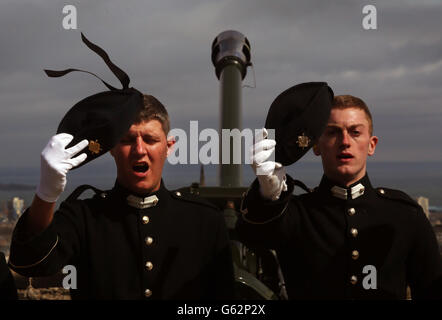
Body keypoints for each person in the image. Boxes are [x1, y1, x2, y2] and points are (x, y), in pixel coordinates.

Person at [8, 34, 234, 300]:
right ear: (112, 148)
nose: (139, 149)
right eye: (127, 140)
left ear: (169, 146)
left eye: (150, 139)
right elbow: (29, 262)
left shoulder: (204, 221)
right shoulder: (83, 218)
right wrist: (46, 193)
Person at [237, 92, 442, 299]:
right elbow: (250, 235)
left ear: (372, 145)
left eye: (355, 132)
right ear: (316, 146)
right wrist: (267, 194)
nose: (345, 141)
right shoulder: (296, 215)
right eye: (333, 132)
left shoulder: (404, 215)